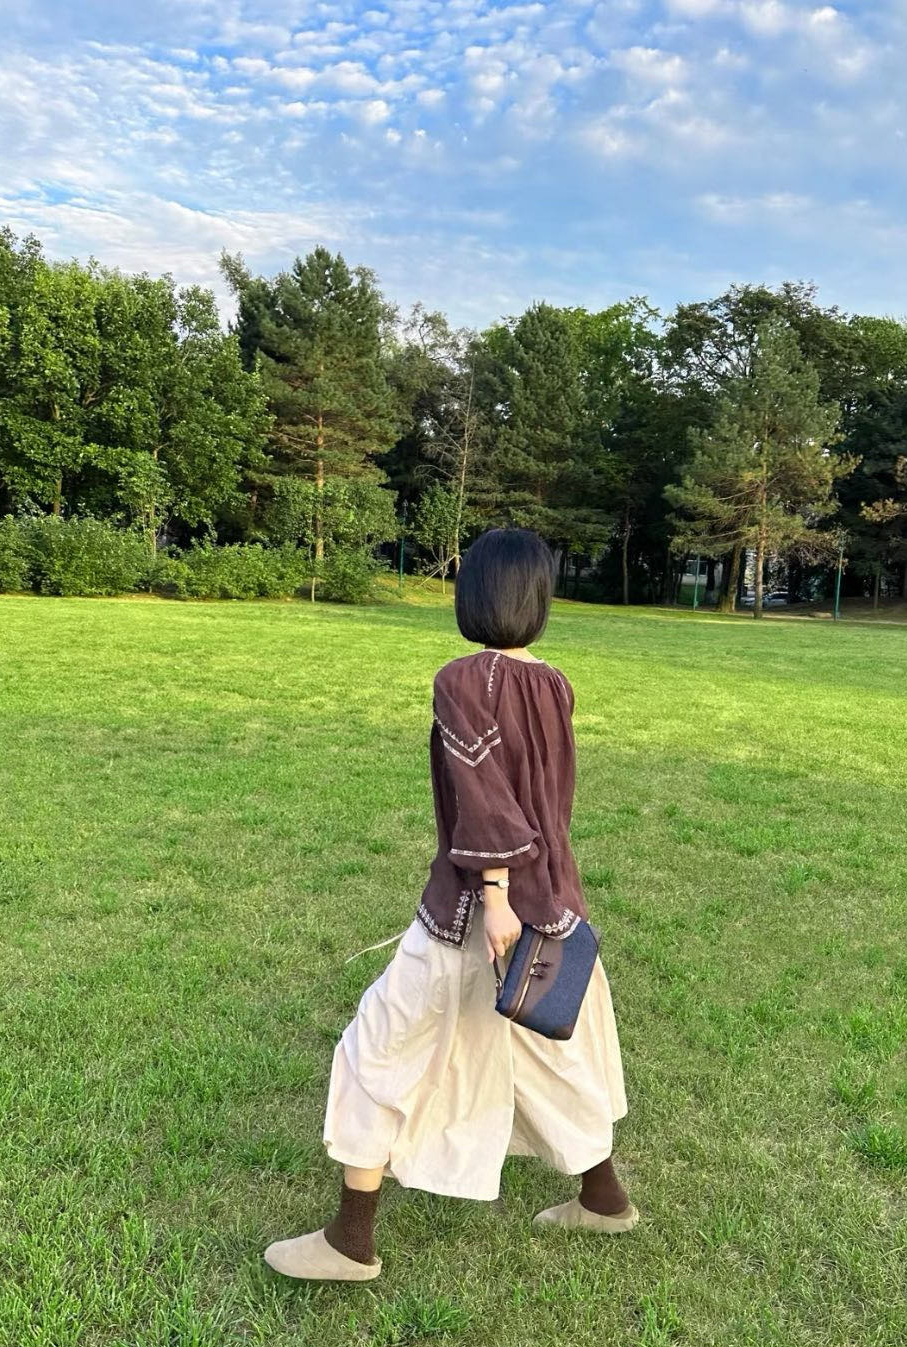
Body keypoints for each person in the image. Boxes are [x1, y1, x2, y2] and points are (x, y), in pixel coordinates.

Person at [265, 526, 636, 1282]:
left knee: (376, 1048)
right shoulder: (556, 683)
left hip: (478, 914)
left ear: (474, 595)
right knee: (546, 1052)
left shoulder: (465, 681)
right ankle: (604, 1199)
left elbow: (487, 799)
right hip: (554, 906)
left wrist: (495, 895)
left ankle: (350, 1242)